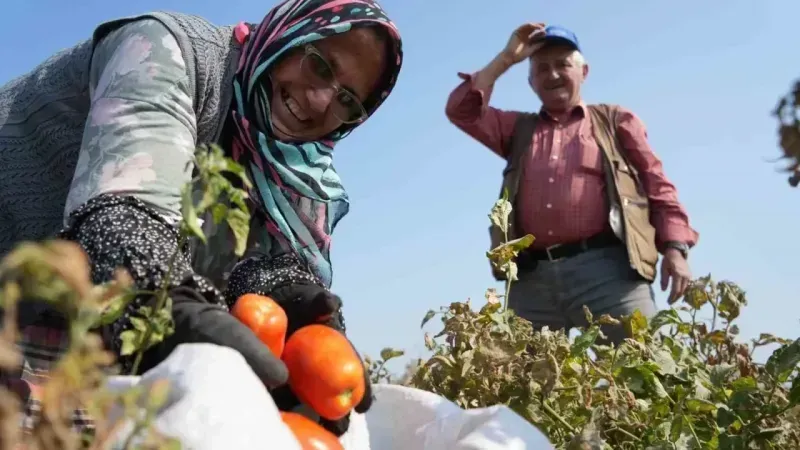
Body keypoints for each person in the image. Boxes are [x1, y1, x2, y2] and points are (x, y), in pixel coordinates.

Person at [0, 0, 403, 437]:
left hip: (69, 319)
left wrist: (284, 296)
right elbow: (121, 213)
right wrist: (161, 295)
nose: (321, 99)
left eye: (348, 99)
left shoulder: (293, 173)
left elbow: (254, 267)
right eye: (320, 66)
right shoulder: (167, 49)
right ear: (290, 38)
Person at [445, 23, 697, 343]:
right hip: (531, 279)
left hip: (610, 273)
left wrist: (675, 248)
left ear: (584, 71)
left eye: (563, 64)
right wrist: (506, 59)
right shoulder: (517, 129)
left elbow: (657, 184)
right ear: (530, 80)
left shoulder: (615, 121)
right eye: (541, 68)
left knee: (643, 369)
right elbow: (461, 111)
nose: (552, 75)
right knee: (524, 384)